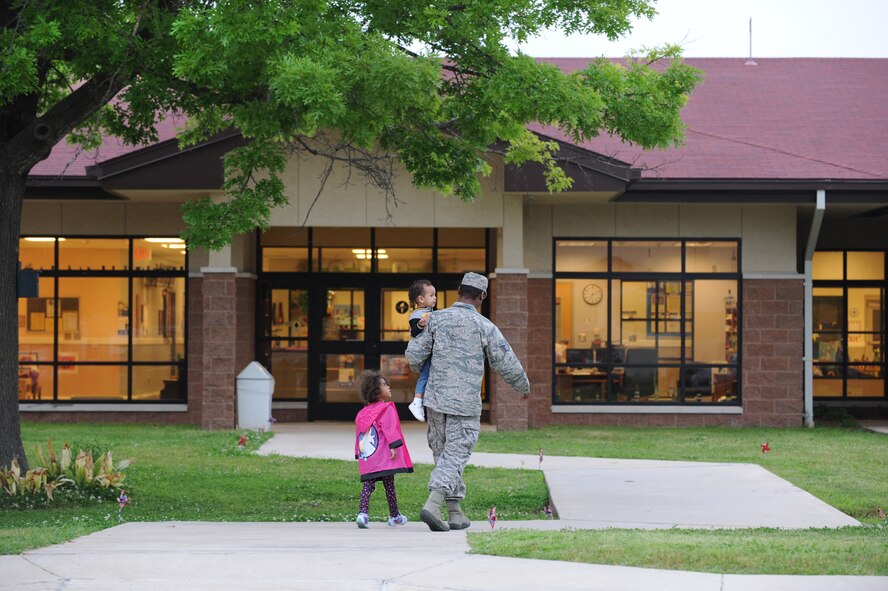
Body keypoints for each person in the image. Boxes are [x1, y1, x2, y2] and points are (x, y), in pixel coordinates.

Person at [406, 272, 530, 532]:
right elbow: (506, 361)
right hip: (464, 404)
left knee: (444, 454)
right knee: (456, 454)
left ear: (458, 291)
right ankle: (433, 503)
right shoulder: (485, 326)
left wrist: (421, 365)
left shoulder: (435, 319)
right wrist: (523, 386)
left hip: (436, 400)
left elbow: (415, 355)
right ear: (482, 296)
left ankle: (455, 512)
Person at [354, 370, 413, 528]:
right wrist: (394, 447)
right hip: (384, 456)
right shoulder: (386, 409)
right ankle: (394, 516)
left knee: (368, 485)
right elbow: (389, 428)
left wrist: (358, 453)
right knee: (389, 486)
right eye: (385, 385)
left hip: (368, 457)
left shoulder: (362, 413)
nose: (389, 387)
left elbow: (360, 435)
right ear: (377, 391)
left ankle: (363, 514)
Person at [406, 279, 437, 422]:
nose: (435, 298)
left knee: (429, 374)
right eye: (431, 295)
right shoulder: (417, 315)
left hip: (430, 351)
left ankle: (421, 401)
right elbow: (413, 331)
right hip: (425, 352)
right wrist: (419, 324)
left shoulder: (428, 312)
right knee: (425, 374)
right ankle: (417, 400)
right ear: (421, 299)